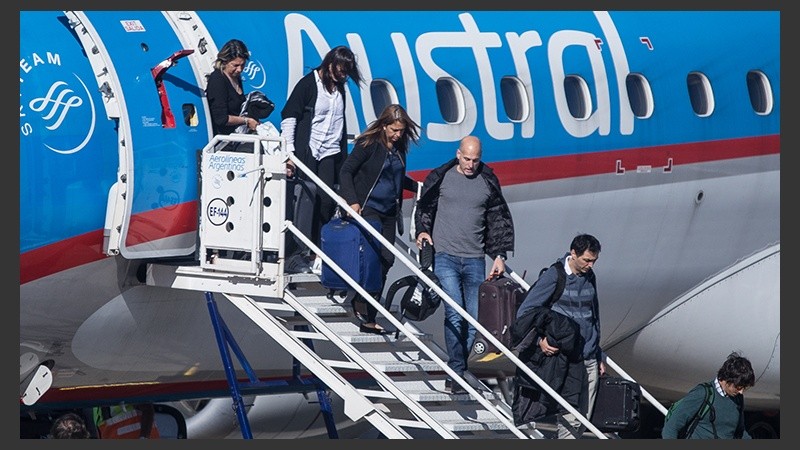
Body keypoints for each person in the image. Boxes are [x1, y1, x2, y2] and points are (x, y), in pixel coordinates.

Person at [413, 135, 514, 392]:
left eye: (475, 160)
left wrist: (500, 255)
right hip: (445, 256)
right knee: (455, 314)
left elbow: (497, 220)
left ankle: (463, 369)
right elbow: (425, 207)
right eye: (467, 159)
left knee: (474, 320)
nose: (470, 165)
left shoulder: (487, 182)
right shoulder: (443, 177)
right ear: (458, 154)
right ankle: (456, 371)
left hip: (474, 259)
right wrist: (422, 230)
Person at [338, 104, 421, 334]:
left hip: (389, 213)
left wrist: (415, 186)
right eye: (394, 130)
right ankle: (362, 305)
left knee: (386, 261)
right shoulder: (369, 145)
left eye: (401, 131)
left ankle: (369, 312)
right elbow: (346, 171)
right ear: (384, 126)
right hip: (369, 208)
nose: (398, 135)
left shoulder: (398, 149)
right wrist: (351, 200)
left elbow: (393, 177)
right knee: (372, 259)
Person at [280, 45, 363, 274]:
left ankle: (318, 251)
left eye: (347, 72)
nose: (344, 75)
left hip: (330, 151)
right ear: (330, 64)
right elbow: (289, 116)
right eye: (341, 70)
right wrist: (289, 153)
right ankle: (299, 252)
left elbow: (338, 121)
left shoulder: (340, 89)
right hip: (308, 150)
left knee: (326, 202)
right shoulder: (309, 84)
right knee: (307, 200)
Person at [514, 233, 604, 438]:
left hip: (588, 357)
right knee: (569, 415)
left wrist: (598, 353)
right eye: (587, 260)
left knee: (583, 417)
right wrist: (539, 341)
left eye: (594, 261)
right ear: (573, 253)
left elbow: (593, 316)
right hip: (565, 358)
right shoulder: (554, 276)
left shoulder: (590, 277)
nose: (591, 265)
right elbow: (525, 313)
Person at [662, 351, 755, 439]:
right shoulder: (702, 393)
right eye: (739, 387)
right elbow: (671, 427)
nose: (741, 392)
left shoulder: (738, 399)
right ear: (727, 380)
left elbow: (740, 433)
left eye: (744, 388)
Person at [205, 38, 259, 137]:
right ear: (225, 61)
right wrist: (246, 120)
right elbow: (221, 119)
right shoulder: (218, 80)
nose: (239, 69)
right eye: (235, 65)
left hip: (237, 134)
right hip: (224, 138)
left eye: (242, 65)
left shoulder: (235, 77)